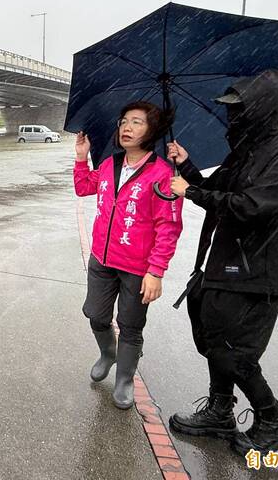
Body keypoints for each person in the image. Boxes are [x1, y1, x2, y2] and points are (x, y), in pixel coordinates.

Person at [166, 69, 278, 455]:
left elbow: (252, 207)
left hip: (260, 270)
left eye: (240, 109)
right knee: (212, 335)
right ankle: (220, 410)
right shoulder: (247, 151)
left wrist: (190, 193)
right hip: (227, 262)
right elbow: (218, 187)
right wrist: (186, 167)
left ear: (263, 109)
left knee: (234, 350)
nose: (232, 117)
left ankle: (272, 419)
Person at [74, 101, 182, 409]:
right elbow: (85, 188)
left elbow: (169, 227)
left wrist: (156, 271)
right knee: (95, 314)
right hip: (102, 260)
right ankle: (108, 352)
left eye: (137, 122)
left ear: (153, 131)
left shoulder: (162, 174)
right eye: (124, 121)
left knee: (131, 325)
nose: (127, 127)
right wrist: (82, 159)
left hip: (138, 267)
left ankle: (124, 378)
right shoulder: (110, 163)